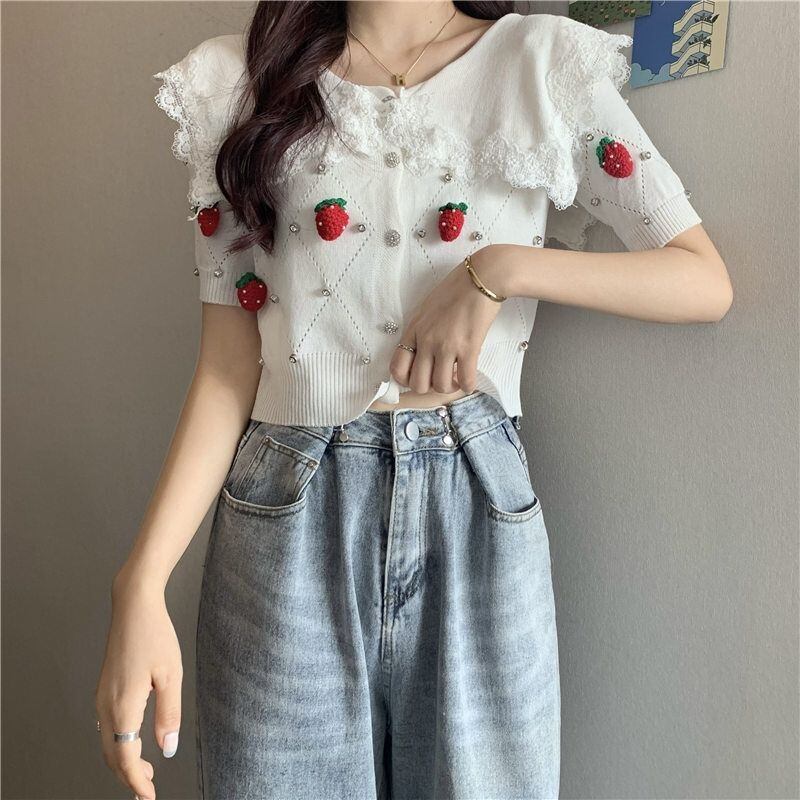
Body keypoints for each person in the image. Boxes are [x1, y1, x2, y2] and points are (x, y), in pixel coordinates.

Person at [95, 2, 732, 799]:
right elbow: (229, 367)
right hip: (286, 518)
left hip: (475, 509)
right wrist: (140, 582)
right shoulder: (240, 83)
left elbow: (700, 278)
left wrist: (502, 270)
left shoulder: (540, 64)